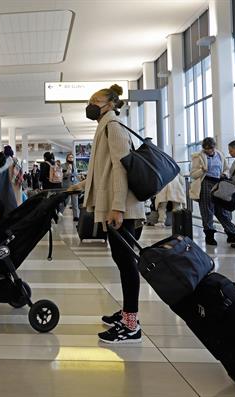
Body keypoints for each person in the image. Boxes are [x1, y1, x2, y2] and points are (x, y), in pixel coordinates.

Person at [69, 84, 144, 344]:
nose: (91, 105)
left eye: (95, 100)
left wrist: (118, 207)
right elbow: (103, 169)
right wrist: (79, 186)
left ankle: (131, 324)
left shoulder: (113, 127)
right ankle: (126, 313)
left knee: (126, 264)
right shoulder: (106, 126)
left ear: (110, 104)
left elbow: (121, 169)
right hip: (119, 205)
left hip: (123, 208)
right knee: (122, 261)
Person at [189, 137, 235, 245]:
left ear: (214, 147)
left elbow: (226, 169)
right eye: (206, 149)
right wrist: (202, 170)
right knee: (207, 210)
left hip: (219, 183)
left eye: (210, 148)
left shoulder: (220, 155)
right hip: (205, 183)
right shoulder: (197, 157)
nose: (209, 151)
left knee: (222, 210)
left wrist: (224, 174)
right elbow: (193, 174)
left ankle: (232, 233)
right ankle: (209, 235)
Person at [62, 153, 80, 221]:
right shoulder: (63, 165)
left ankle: (76, 216)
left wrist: (79, 179)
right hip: (66, 185)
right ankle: (59, 213)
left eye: (72, 157)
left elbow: (75, 174)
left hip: (74, 184)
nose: (71, 158)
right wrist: (67, 171)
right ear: (67, 158)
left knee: (75, 201)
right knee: (65, 201)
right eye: (69, 157)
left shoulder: (74, 165)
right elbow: (62, 176)